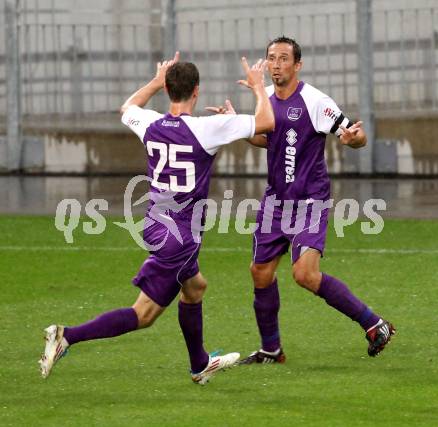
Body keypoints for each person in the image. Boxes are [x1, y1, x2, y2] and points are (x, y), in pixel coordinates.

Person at [39, 52, 275, 384]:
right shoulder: (205, 129)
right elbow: (266, 123)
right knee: (144, 314)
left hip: (155, 224)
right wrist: (258, 87)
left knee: (195, 287)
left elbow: (126, 108)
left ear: (167, 90)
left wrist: (153, 80)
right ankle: (66, 335)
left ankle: (200, 364)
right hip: (179, 237)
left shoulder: (150, 122)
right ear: (196, 91)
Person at [211, 36, 395, 364]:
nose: (276, 64)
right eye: (271, 58)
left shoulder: (315, 101)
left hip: (310, 201)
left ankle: (373, 323)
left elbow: (356, 135)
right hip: (276, 200)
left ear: (298, 65)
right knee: (260, 272)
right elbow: (265, 138)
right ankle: (271, 350)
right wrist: (236, 123)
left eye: (283, 59)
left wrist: (355, 139)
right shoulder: (265, 98)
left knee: (305, 275)